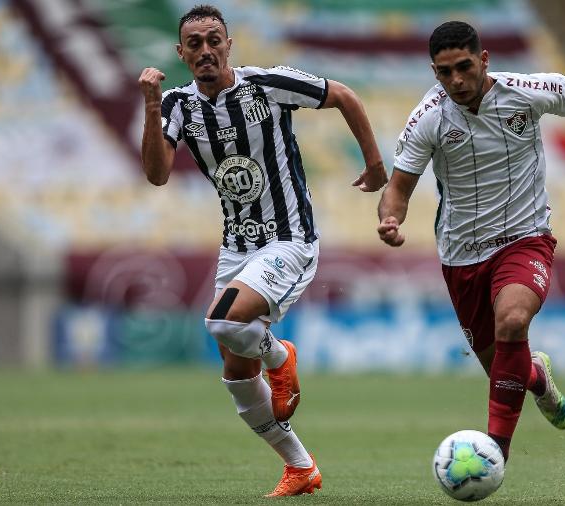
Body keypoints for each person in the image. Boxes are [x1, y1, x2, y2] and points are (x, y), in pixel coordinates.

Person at [138, 5, 387, 497]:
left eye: (214, 40)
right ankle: (300, 467)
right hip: (236, 248)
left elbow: (343, 95)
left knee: (222, 322)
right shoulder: (176, 106)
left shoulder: (267, 84)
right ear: (181, 53)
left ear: (229, 44)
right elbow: (157, 174)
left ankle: (280, 357)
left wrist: (375, 165)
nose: (206, 50)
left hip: (289, 238)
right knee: (235, 371)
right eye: (195, 43)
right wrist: (149, 105)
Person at [377, 21, 565, 462]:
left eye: (464, 67)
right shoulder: (428, 118)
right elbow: (398, 187)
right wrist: (390, 219)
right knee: (503, 371)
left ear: (484, 60)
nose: (456, 80)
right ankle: (537, 378)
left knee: (512, 322)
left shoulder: (524, 90)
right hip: (461, 257)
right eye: (443, 72)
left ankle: (495, 453)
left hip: (524, 238)